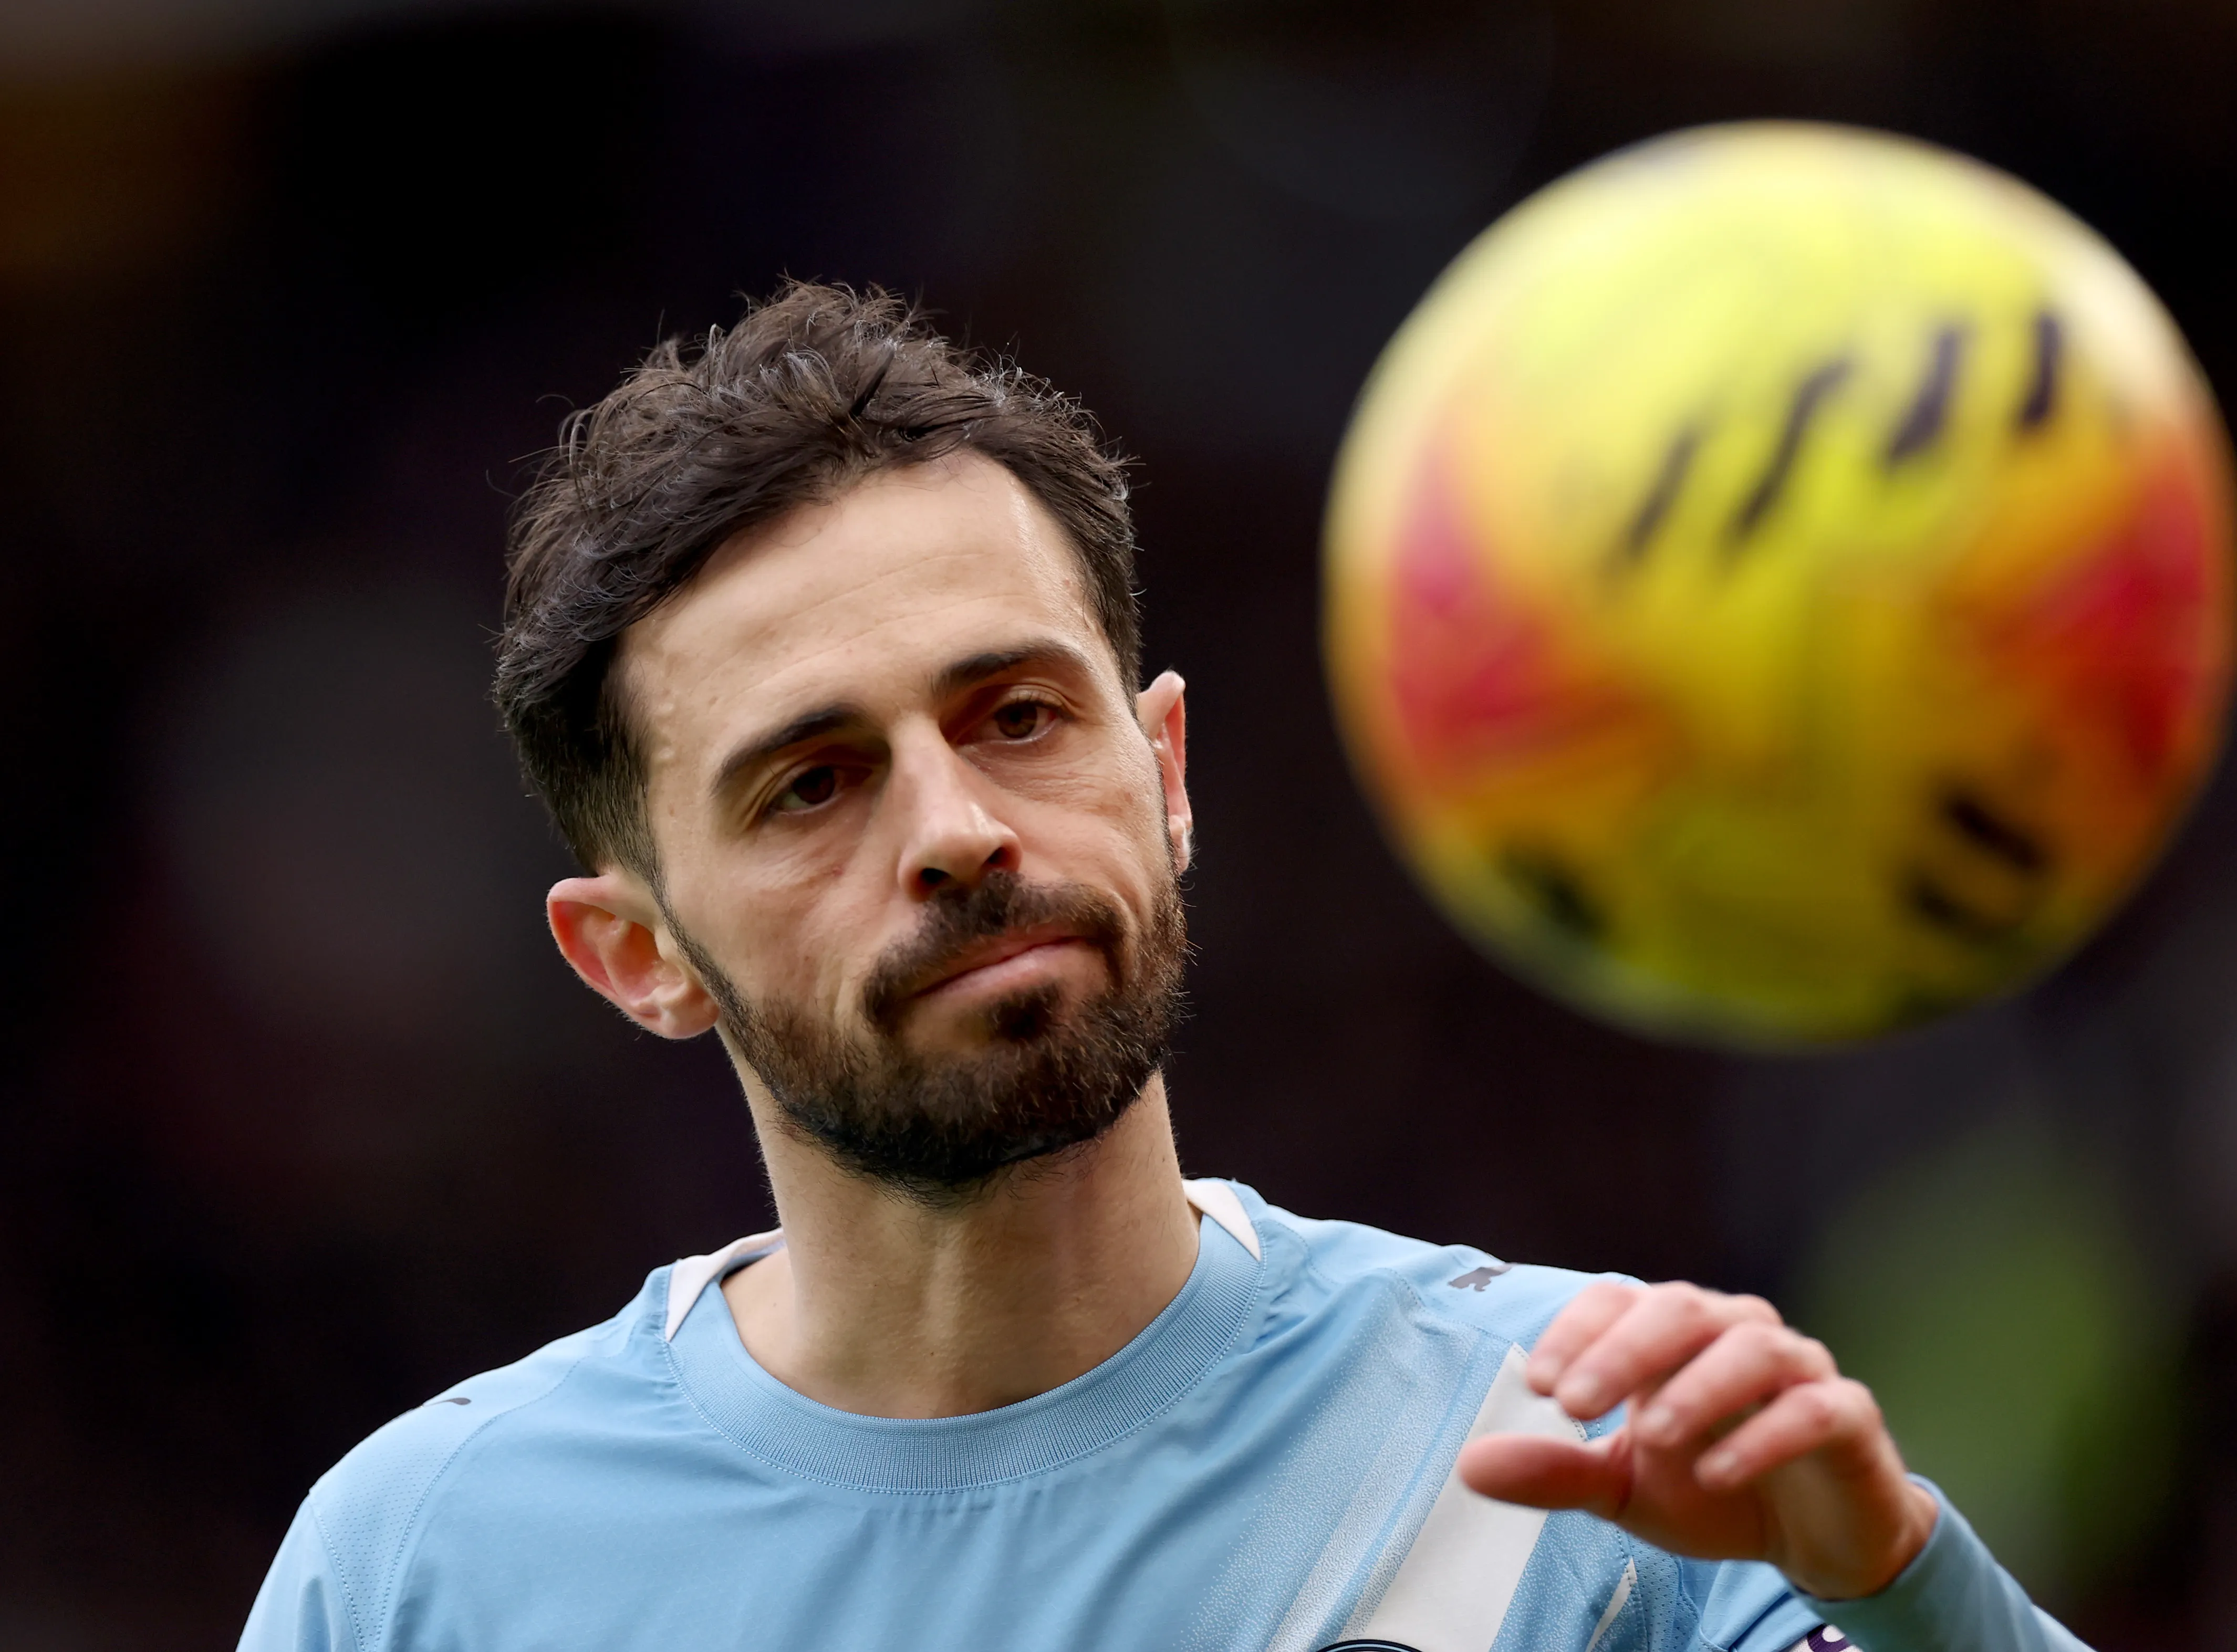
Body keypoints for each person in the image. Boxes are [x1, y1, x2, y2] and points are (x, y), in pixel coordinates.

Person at [240, 282, 2087, 1652]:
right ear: (637, 956)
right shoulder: (426, 1571)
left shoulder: (1584, 1455)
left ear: (1166, 773)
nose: (957, 825)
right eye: (813, 783)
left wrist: (1900, 1584)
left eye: (1020, 713)